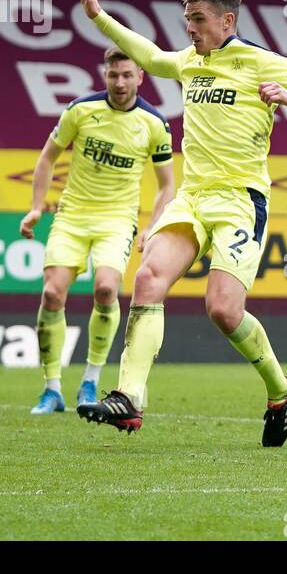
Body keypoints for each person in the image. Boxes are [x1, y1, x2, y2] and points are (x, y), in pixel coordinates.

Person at [67, 0, 287, 446]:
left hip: (240, 201)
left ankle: (281, 391)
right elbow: (151, 56)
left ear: (227, 21)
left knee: (222, 309)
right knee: (148, 278)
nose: (189, 29)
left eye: (198, 19)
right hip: (192, 198)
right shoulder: (190, 62)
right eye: (187, 19)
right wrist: (98, 18)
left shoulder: (259, 61)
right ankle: (129, 398)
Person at [19, 47, 176, 415]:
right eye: (112, 75)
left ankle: (90, 380)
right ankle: (52, 388)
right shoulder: (80, 110)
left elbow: (167, 185)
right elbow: (47, 157)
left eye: (126, 75)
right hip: (73, 215)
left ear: (140, 76)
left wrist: (152, 225)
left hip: (117, 219)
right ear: (105, 75)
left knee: (106, 289)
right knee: (52, 294)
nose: (119, 82)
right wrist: (36, 207)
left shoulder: (154, 124)